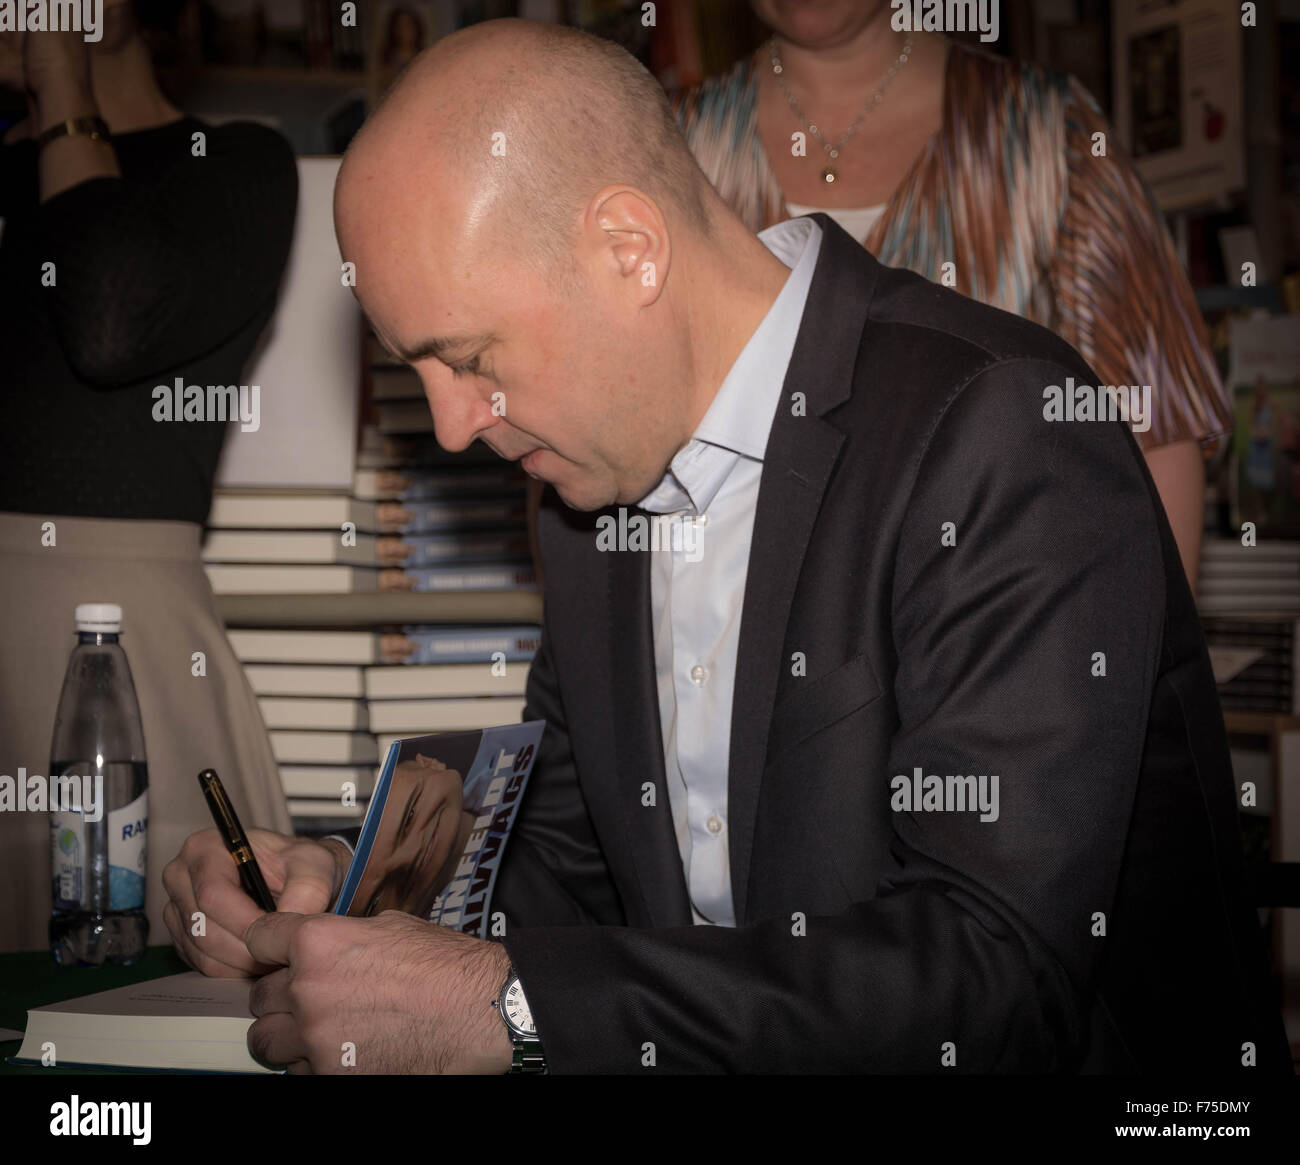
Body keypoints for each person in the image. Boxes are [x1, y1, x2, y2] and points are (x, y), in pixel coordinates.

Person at [162, 18, 1290, 1075]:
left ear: (628, 249)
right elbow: (574, 868)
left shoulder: (1001, 430)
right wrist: (356, 899)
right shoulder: (586, 488)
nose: (455, 423)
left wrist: (509, 1007)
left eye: (469, 356)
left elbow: (994, 979)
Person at [669, 1, 1231, 594]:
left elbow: (1154, 426)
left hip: (1008, 641)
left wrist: (1138, 671)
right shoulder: (666, 149)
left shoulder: (1048, 136)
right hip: (723, 654)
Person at [0, 0, 297, 952]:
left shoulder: (238, 164)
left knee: (142, 996)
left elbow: (109, 324)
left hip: (122, 648)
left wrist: (63, 86)